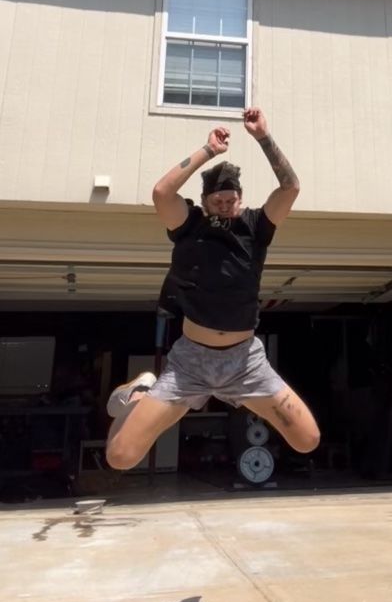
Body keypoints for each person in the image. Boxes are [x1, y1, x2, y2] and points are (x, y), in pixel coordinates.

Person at [105, 107, 320, 471]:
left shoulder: (256, 226)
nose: (225, 205)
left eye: (231, 200)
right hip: (191, 363)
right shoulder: (190, 225)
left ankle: (231, 395)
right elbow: (161, 192)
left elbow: (291, 187)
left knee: (307, 439)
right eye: (217, 201)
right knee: (120, 458)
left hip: (246, 363)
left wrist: (263, 137)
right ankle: (140, 393)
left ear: (241, 198)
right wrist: (208, 150)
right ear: (205, 202)